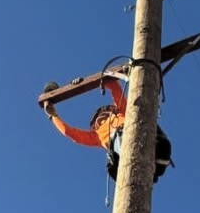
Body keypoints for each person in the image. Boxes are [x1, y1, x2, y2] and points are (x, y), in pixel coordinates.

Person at [42, 74, 173, 185]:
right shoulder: (96, 136)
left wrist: (86, 84)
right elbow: (69, 132)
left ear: (112, 110)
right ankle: (140, 159)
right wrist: (53, 116)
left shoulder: (122, 112)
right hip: (121, 144)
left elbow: (115, 88)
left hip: (138, 130)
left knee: (145, 121)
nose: (101, 116)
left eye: (105, 112)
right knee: (120, 138)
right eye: (97, 118)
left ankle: (158, 155)